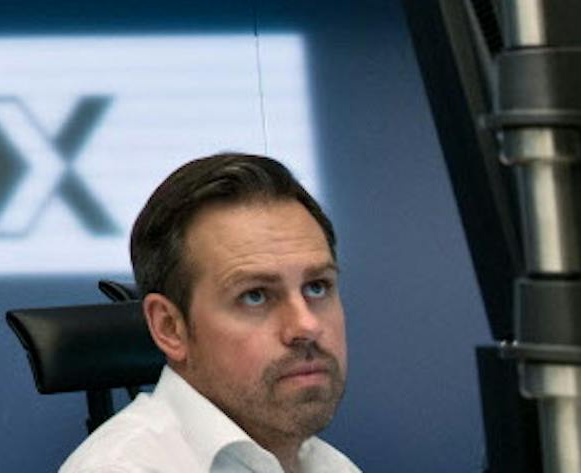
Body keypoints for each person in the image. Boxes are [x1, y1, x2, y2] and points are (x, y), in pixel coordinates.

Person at [58, 153, 358, 473]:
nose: (306, 325)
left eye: (317, 287)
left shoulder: (327, 464)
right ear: (170, 327)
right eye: (255, 296)